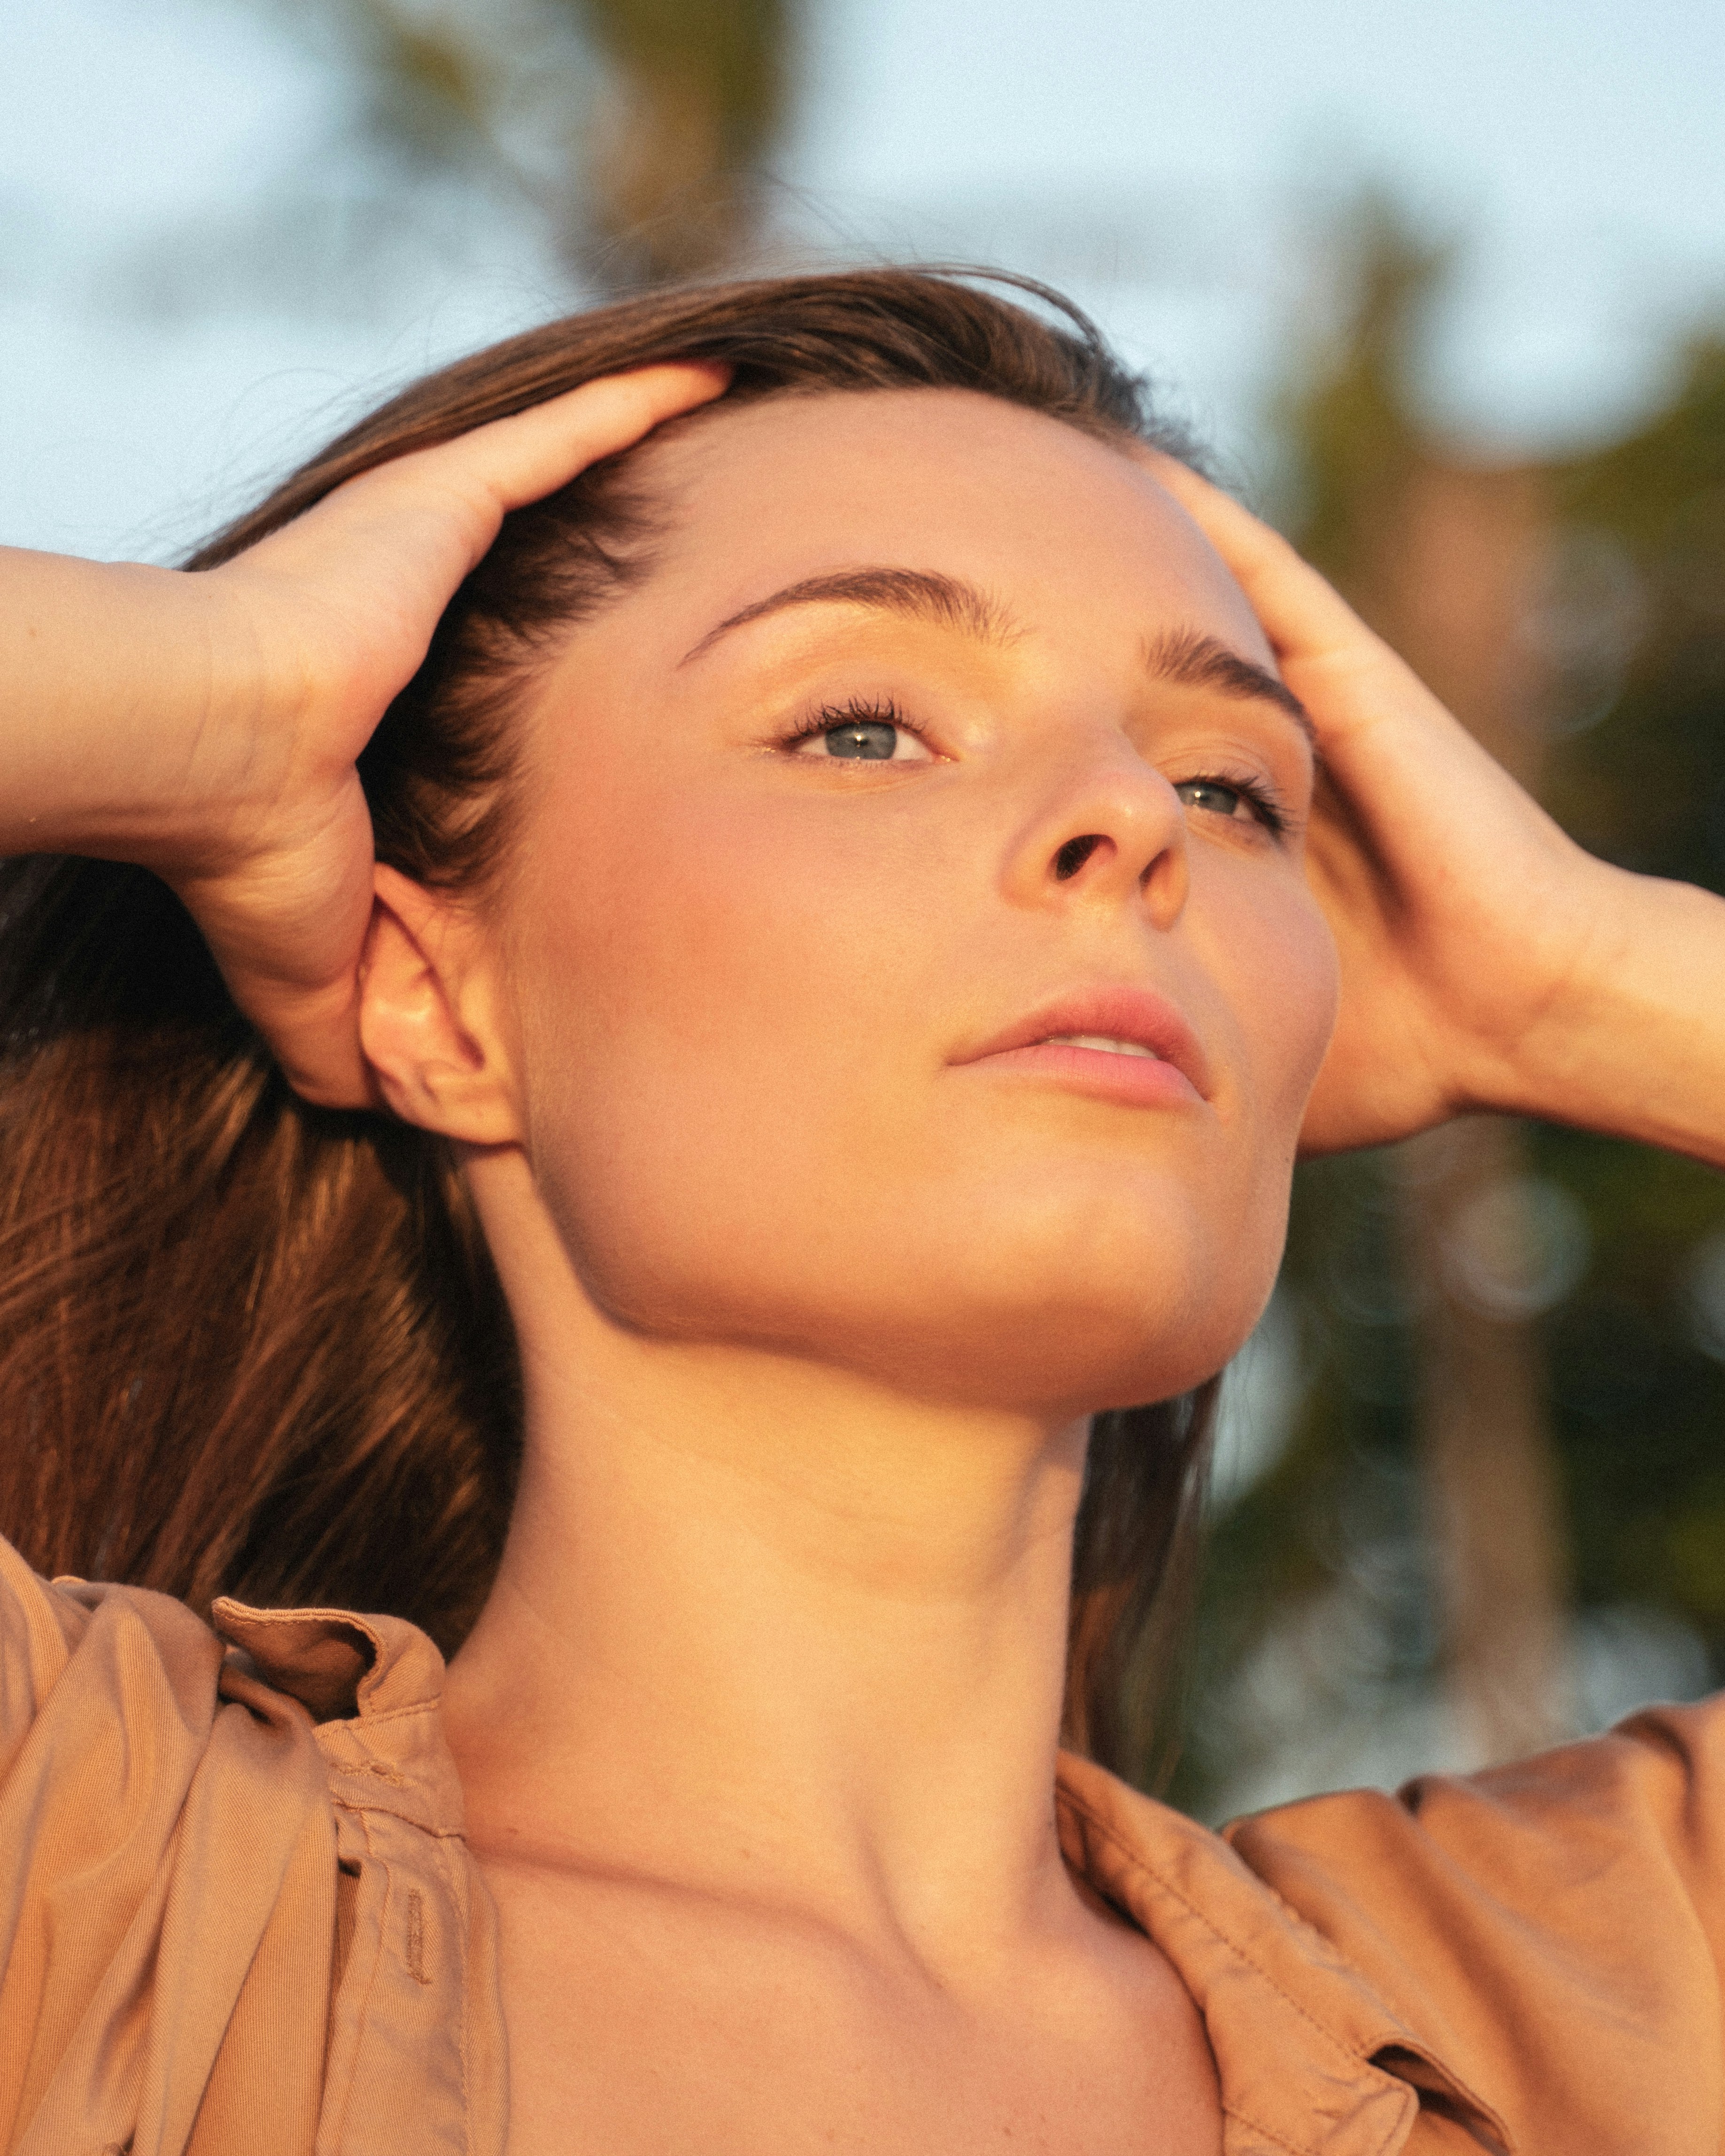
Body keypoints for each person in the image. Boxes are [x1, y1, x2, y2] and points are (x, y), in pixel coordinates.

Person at [0, 268, 1721, 2156]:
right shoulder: (98, 1885)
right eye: (864, 728)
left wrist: (1580, 978)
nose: (1126, 821)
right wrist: (218, 703)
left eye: (1226, 786)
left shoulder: (1570, 2018)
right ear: (436, 995)